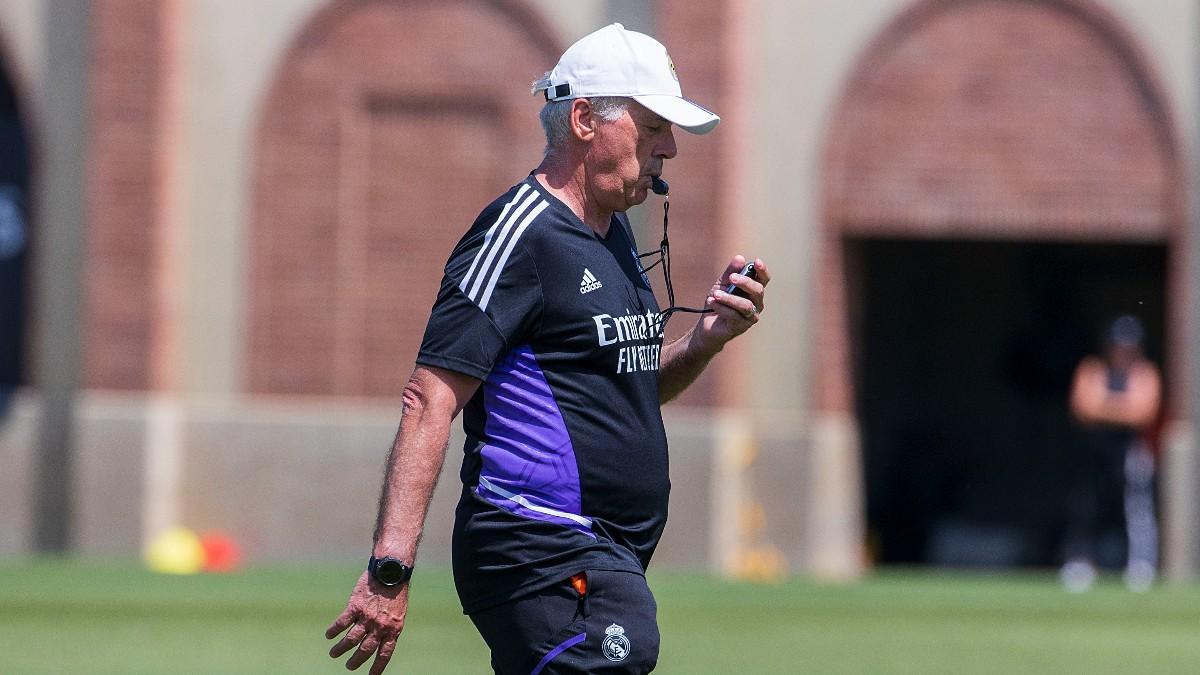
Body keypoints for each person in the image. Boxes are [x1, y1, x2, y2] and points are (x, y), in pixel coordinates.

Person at [325, 23, 769, 674]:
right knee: (617, 651)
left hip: (603, 553)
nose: (669, 148)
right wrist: (389, 569)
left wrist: (705, 341)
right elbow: (429, 397)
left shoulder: (615, 236)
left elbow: (629, 387)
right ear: (585, 120)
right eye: (652, 127)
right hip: (535, 542)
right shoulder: (519, 234)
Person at [1061, 315, 1161, 592]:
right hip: (1094, 451)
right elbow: (1083, 407)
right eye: (1119, 346)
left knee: (1137, 509)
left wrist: (1104, 405)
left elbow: (1142, 412)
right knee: (1086, 506)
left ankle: (1141, 565)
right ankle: (1080, 562)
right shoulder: (1092, 369)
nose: (1123, 352)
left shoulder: (1144, 372)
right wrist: (1121, 407)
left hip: (1129, 451)